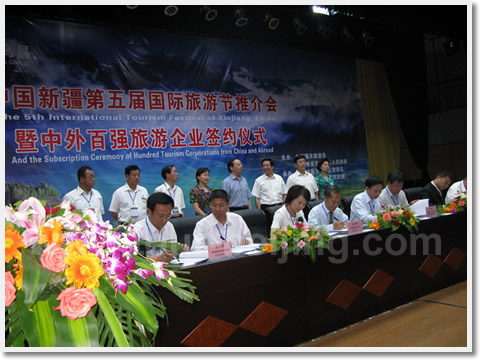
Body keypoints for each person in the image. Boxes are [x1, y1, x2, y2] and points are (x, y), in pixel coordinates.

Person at [134, 192, 189, 262]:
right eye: (160, 216)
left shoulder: (169, 226)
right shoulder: (137, 230)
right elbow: (133, 260)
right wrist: (157, 259)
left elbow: (173, 253)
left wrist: (180, 251)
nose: (164, 220)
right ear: (149, 212)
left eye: (168, 215)